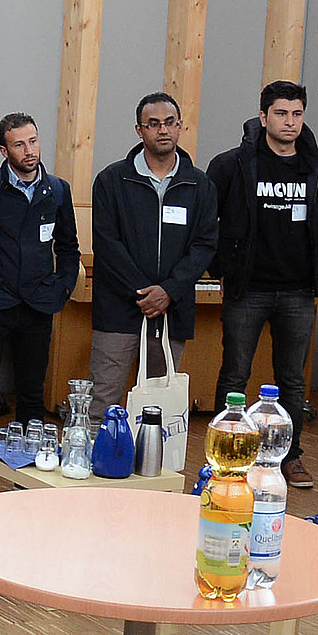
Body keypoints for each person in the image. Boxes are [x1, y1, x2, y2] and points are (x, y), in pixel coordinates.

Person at [208, 81, 318, 490]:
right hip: (248, 288)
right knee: (235, 374)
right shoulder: (233, 164)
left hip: (298, 290)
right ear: (263, 117)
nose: (290, 122)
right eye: (281, 113)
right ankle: (227, 453)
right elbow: (208, 219)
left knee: (293, 380)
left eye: (297, 114)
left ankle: (291, 455)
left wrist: (313, 260)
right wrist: (222, 267)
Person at [0, 113, 80, 501]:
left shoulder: (57, 190)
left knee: (32, 393)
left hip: (38, 305)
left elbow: (68, 247)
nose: (29, 151)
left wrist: (62, 287)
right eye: (19, 145)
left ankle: (28, 474)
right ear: (4, 151)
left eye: (33, 141)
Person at [88, 93, 218, 413]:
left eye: (170, 122)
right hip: (119, 309)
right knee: (103, 398)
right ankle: (95, 448)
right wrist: (145, 293)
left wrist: (168, 291)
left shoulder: (200, 185)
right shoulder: (111, 181)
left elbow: (204, 245)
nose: (163, 130)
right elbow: (106, 244)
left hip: (172, 310)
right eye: (153, 124)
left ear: (180, 126)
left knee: (158, 406)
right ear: (139, 130)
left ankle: (151, 452)